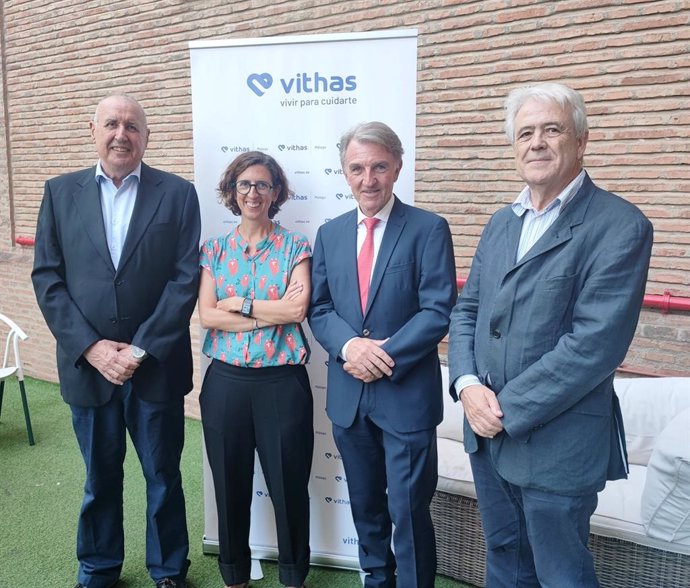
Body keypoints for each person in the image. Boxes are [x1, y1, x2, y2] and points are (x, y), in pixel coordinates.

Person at [448, 82, 654, 587]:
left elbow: (594, 345)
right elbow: (467, 311)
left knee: (562, 575)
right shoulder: (502, 222)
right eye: (525, 133)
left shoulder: (621, 225)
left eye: (551, 129)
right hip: (488, 438)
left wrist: (500, 411)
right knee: (504, 561)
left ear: (580, 140)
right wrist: (467, 385)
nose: (536, 142)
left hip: (558, 446)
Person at [31, 94, 200, 588]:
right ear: (93, 130)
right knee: (99, 479)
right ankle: (99, 567)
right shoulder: (60, 193)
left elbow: (184, 278)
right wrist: (94, 348)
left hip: (156, 367)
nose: (121, 134)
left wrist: (139, 348)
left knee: (164, 477)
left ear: (147, 137)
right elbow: (48, 279)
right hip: (89, 368)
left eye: (132, 125)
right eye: (112, 124)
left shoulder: (177, 194)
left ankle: (169, 570)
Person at [308, 122, 457, 588]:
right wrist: (351, 346)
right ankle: (376, 579)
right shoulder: (330, 233)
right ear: (344, 172)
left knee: (408, 508)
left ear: (397, 167)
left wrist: (383, 355)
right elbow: (320, 307)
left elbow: (438, 310)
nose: (367, 178)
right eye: (357, 168)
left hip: (405, 395)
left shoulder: (429, 229)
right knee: (366, 503)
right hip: (350, 397)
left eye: (378, 167)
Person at [198, 151, 313, 588]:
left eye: (263, 185)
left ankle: (292, 576)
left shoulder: (295, 246)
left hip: (281, 384)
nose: (253, 193)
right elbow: (208, 316)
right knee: (229, 485)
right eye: (244, 185)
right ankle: (233, 575)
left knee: (288, 488)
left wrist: (241, 305)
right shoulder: (214, 249)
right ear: (232, 192)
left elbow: (298, 309)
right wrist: (272, 311)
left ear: (276, 192)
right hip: (225, 383)